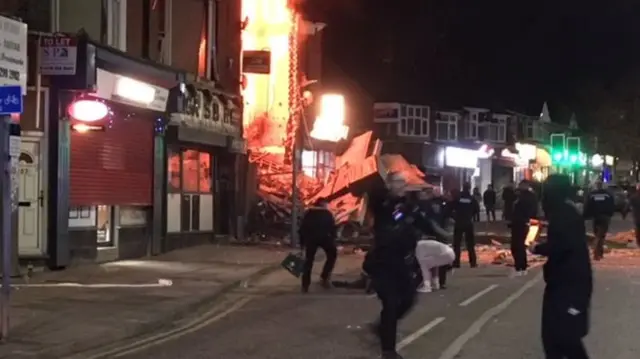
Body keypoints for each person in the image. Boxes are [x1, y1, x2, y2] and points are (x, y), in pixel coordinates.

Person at [530, 174, 592, 359]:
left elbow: (563, 244)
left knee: (565, 338)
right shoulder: (564, 211)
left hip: (570, 286)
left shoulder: (565, 213)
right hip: (562, 283)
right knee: (555, 338)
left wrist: (538, 247)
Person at [363, 172, 420, 359]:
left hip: (401, 261)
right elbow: (377, 198)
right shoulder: (382, 203)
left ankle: (382, 327)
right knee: (390, 303)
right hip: (382, 261)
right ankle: (388, 350)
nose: (402, 185)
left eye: (404, 183)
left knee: (409, 299)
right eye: (397, 182)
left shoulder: (404, 206)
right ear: (388, 184)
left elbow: (411, 223)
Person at [299, 198, 338, 293]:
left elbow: (302, 228)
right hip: (325, 238)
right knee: (332, 254)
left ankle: (305, 285)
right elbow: (332, 228)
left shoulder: (308, 213)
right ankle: (324, 277)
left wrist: (302, 244)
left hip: (311, 239)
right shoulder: (327, 214)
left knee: (308, 261)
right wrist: (333, 239)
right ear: (323, 204)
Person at [510, 181, 538, 276]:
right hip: (518, 223)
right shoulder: (520, 195)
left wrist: (528, 220)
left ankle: (521, 267)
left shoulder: (528, 197)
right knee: (518, 246)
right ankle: (520, 266)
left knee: (518, 245)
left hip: (522, 223)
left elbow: (530, 210)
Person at [583, 180, 615, 260]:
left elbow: (587, 206)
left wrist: (585, 216)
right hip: (605, 217)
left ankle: (599, 253)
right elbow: (612, 205)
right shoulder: (608, 195)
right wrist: (610, 214)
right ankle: (597, 253)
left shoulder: (592, 195)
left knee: (598, 234)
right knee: (600, 235)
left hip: (596, 217)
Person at [449, 182, 479, 268]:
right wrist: (470, 215)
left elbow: (450, 208)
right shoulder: (472, 199)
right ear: (469, 188)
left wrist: (454, 216)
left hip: (459, 223)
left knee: (457, 244)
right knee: (470, 244)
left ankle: (456, 263)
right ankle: (473, 263)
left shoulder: (458, 198)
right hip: (468, 223)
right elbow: (476, 210)